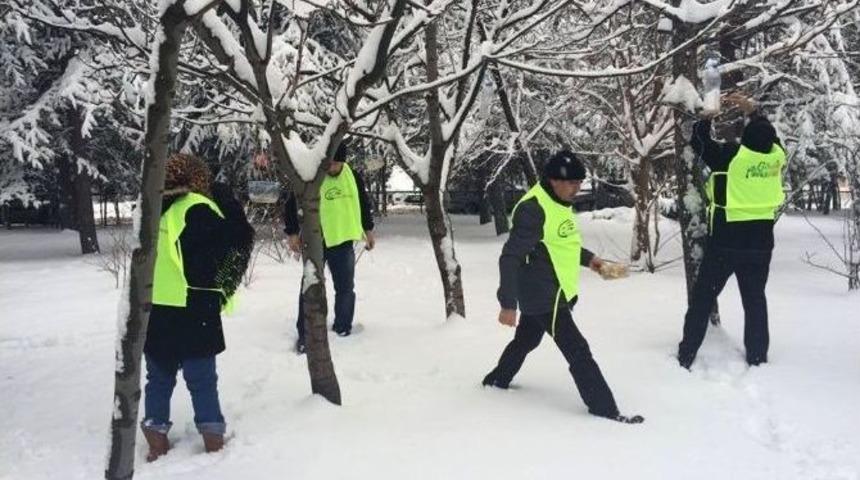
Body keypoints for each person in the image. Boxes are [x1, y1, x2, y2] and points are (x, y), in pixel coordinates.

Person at [482, 150, 644, 424]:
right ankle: (605, 409)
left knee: (526, 340)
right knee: (577, 348)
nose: (576, 188)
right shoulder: (533, 209)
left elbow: (561, 242)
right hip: (544, 293)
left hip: (555, 289)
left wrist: (591, 260)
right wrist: (507, 303)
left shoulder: (559, 203)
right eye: (571, 183)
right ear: (553, 180)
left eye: (580, 183)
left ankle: (496, 380)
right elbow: (510, 256)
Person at [142, 154, 254, 461]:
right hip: (193, 305)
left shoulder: (151, 212)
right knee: (201, 377)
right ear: (196, 179)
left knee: (159, 376)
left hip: (155, 305)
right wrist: (228, 201)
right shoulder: (195, 208)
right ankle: (212, 437)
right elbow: (236, 238)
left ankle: (155, 436)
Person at [677, 93, 786, 369]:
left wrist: (708, 114)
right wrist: (754, 111)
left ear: (745, 140)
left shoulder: (731, 157)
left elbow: (699, 142)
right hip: (761, 245)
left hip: (726, 242)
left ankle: (687, 353)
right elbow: (771, 138)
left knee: (703, 298)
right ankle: (758, 358)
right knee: (755, 300)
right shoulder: (776, 158)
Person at [283, 142, 375, 354]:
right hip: (316, 240)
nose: (332, 168)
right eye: (329, 163)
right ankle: (305, 333)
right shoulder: (311, 175)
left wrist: (368, 230)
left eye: (337, 164)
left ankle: (343, 328)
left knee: (345, 288)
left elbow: (363, 203)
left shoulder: (353, 176)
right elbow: (292, 203)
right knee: (310, 285)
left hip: (343, 239)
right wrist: (292, 232)